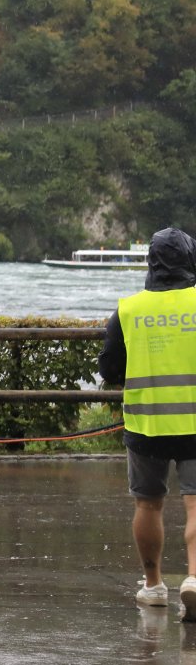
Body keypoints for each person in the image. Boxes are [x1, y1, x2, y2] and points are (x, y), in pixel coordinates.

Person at [98, 227, 196, 614]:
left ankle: (153, 585)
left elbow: (109, 369)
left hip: (146, 424)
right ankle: (194, 578)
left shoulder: (128, 310)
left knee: (148, 505)